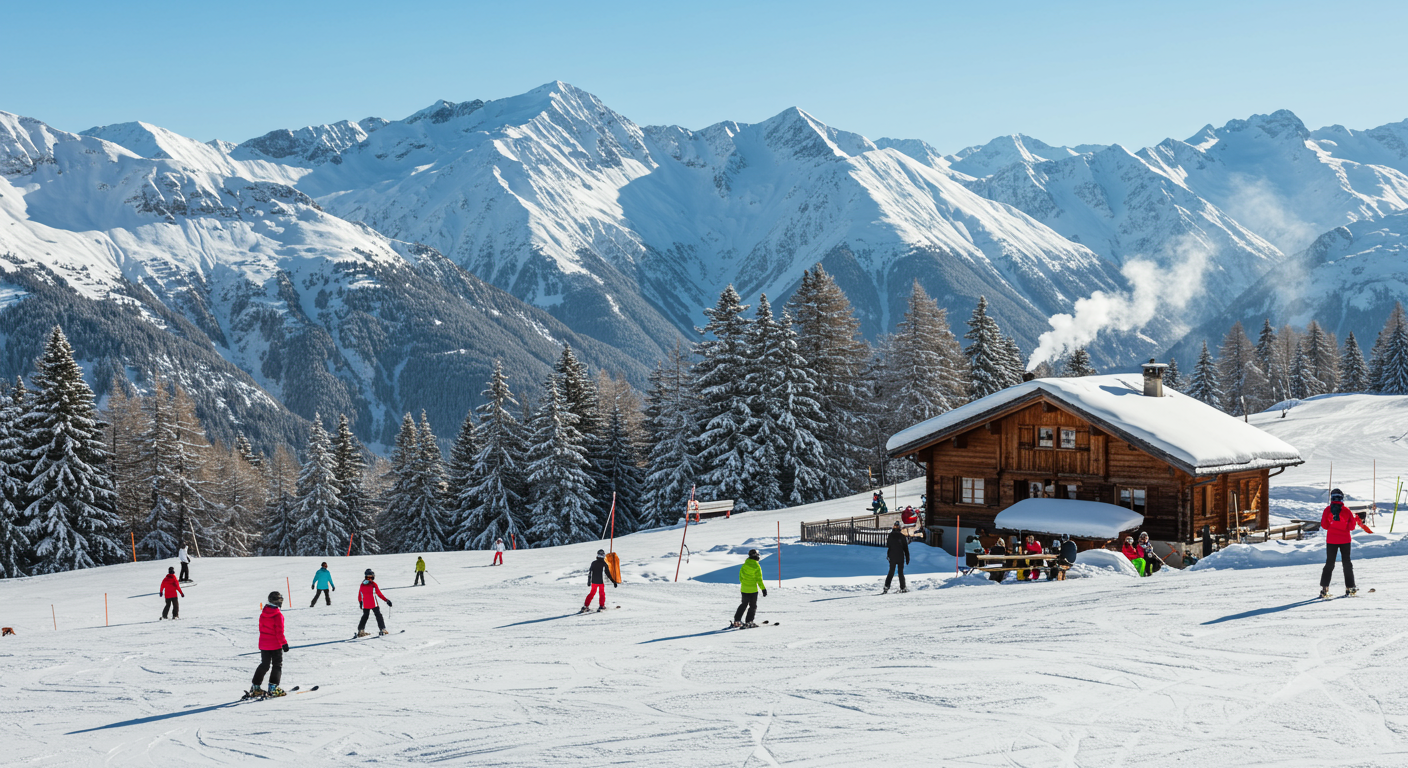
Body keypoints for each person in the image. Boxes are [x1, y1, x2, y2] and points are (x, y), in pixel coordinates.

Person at [1321, 488, 1368, 598]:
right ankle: (1350, 588)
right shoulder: (1346, 511)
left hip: (1331, 540)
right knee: (1347, 563)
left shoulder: (1327, 510)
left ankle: (1324, 589)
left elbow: (1324, 526)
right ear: (1342, 498)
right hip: (1345, 540)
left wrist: (1332, 527)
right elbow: (1351, 527)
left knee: (1329, 563)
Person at [248, 591, 288, 698]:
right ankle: (273, 687)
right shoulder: (278, 615)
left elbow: (262, 629)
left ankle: (255, 687)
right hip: (275, 644)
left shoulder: (263, 613)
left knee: (264, 665)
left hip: (264, 644)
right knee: (277, 665)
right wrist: (284, 643)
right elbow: (279, 632)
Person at [732, 549, 767, 628]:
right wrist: (763, 589)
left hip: (744, 589)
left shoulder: (744, 565)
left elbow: (740, 577)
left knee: (744, 604)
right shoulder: (757, 566)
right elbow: (759, 579)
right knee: (753, 606)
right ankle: (749, 621)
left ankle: (737, 620)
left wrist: (745, 583)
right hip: (753, 590)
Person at [357, 569, 392, 637]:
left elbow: (359, 595)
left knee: (365, 616)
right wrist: (386, 600)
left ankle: (361, 630)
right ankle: (382, 629)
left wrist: (360, 602)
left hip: (365, 604)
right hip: (373, 603)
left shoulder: (362, 584)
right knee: (378, 615)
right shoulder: (373, 584)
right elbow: (379, 594)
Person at [884, 521, 910, 593]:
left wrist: (889, 555)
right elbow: (905, 548)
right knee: (900, 573)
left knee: (891, 572)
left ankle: (886, 586)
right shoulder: (902, 536)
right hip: (900, 556)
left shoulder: (890, 535)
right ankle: (903, 587)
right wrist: (907, 557)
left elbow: (888, 545)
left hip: (892, 556)